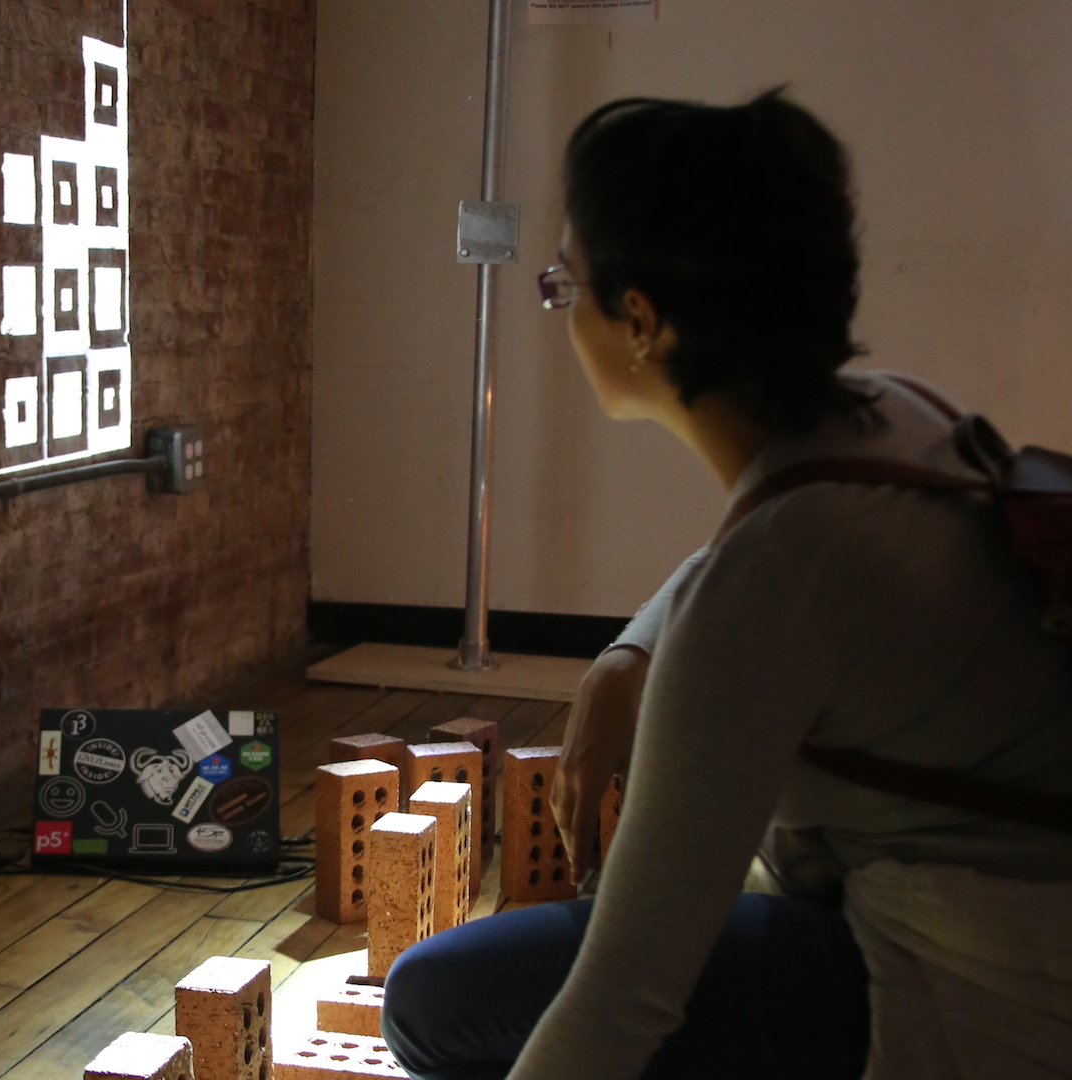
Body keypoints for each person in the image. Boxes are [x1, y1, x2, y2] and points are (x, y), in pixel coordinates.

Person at [380, 90, 1072, 1080]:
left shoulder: (761, 595)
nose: (556, 305)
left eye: (561, 283)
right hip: (1013, 908)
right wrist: (624, 658)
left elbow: (623, 1004)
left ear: (639, 322)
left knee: (434, 1004)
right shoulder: (888, 413)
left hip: (985, 990)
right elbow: (756, 570)